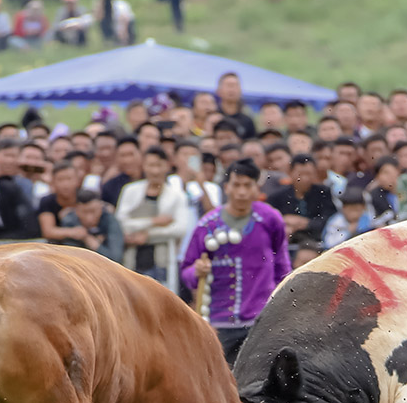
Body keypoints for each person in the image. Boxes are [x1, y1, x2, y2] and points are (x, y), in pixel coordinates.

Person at [180, 158, 290, 364]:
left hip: (261, 320)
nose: (241, 192)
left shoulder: (270, 219)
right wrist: (196, 271)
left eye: (247, 185)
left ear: (257, 188)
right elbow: (186, 271)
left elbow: (282, 266)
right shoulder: (207, 226)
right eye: (236, 185)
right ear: (226, 187)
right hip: (219, 322)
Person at [114, 147, 189, 282]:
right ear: (144, 166)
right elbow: (121, 223)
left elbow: (180, 229)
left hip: (162, 261)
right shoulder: (130, 191)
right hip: (131, 259)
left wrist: (147, 235)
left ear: (167, 166)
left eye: (159, 165)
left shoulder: (177, 196)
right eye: (151, 165)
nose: (155, 171)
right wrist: (154, 221)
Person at [267, 154, 337, 241]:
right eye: (300, 174)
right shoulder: (277, 196)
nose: (305, 178)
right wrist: (285, 221)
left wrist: (307, 223)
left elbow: (330, 217)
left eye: (308, 174)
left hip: (315, 239)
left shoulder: (323, 193)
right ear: (290, 172)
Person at [59, 188, 124, 261]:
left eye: (93, 211)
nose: (89, 218)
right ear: (76, 210)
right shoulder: (70, 221)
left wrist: (88, 239)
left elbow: (116, 258)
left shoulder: (110, 220)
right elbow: (71, 257)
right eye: (84, 212)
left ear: (101, 208)